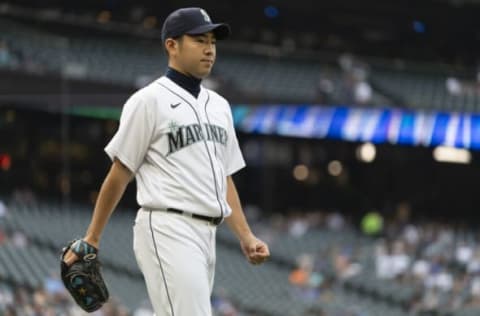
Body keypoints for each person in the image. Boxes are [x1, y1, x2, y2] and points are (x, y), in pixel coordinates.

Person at [63, 7, 270, 316]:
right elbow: (120, 172)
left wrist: (246, 235)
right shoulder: (148, 100)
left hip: (207, 233)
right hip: (168, 227)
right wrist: (92, 237)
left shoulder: (220, 106)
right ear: (171, 45)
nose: (209, 49)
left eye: (213, 41)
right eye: (199, 40)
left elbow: (222, 177)